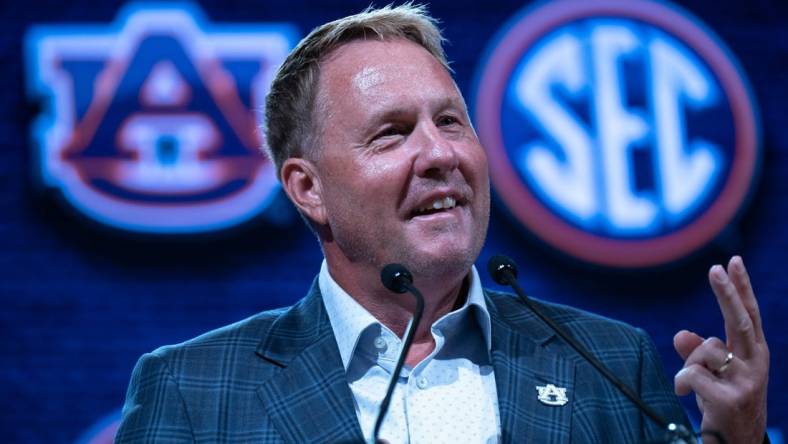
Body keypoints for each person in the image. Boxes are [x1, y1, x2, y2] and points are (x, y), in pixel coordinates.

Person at [115, 4, 769, 443]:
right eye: (393, 133)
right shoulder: (193, 390)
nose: (440, 154)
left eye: (450, 121)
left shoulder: (607, 363)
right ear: (308, 189)